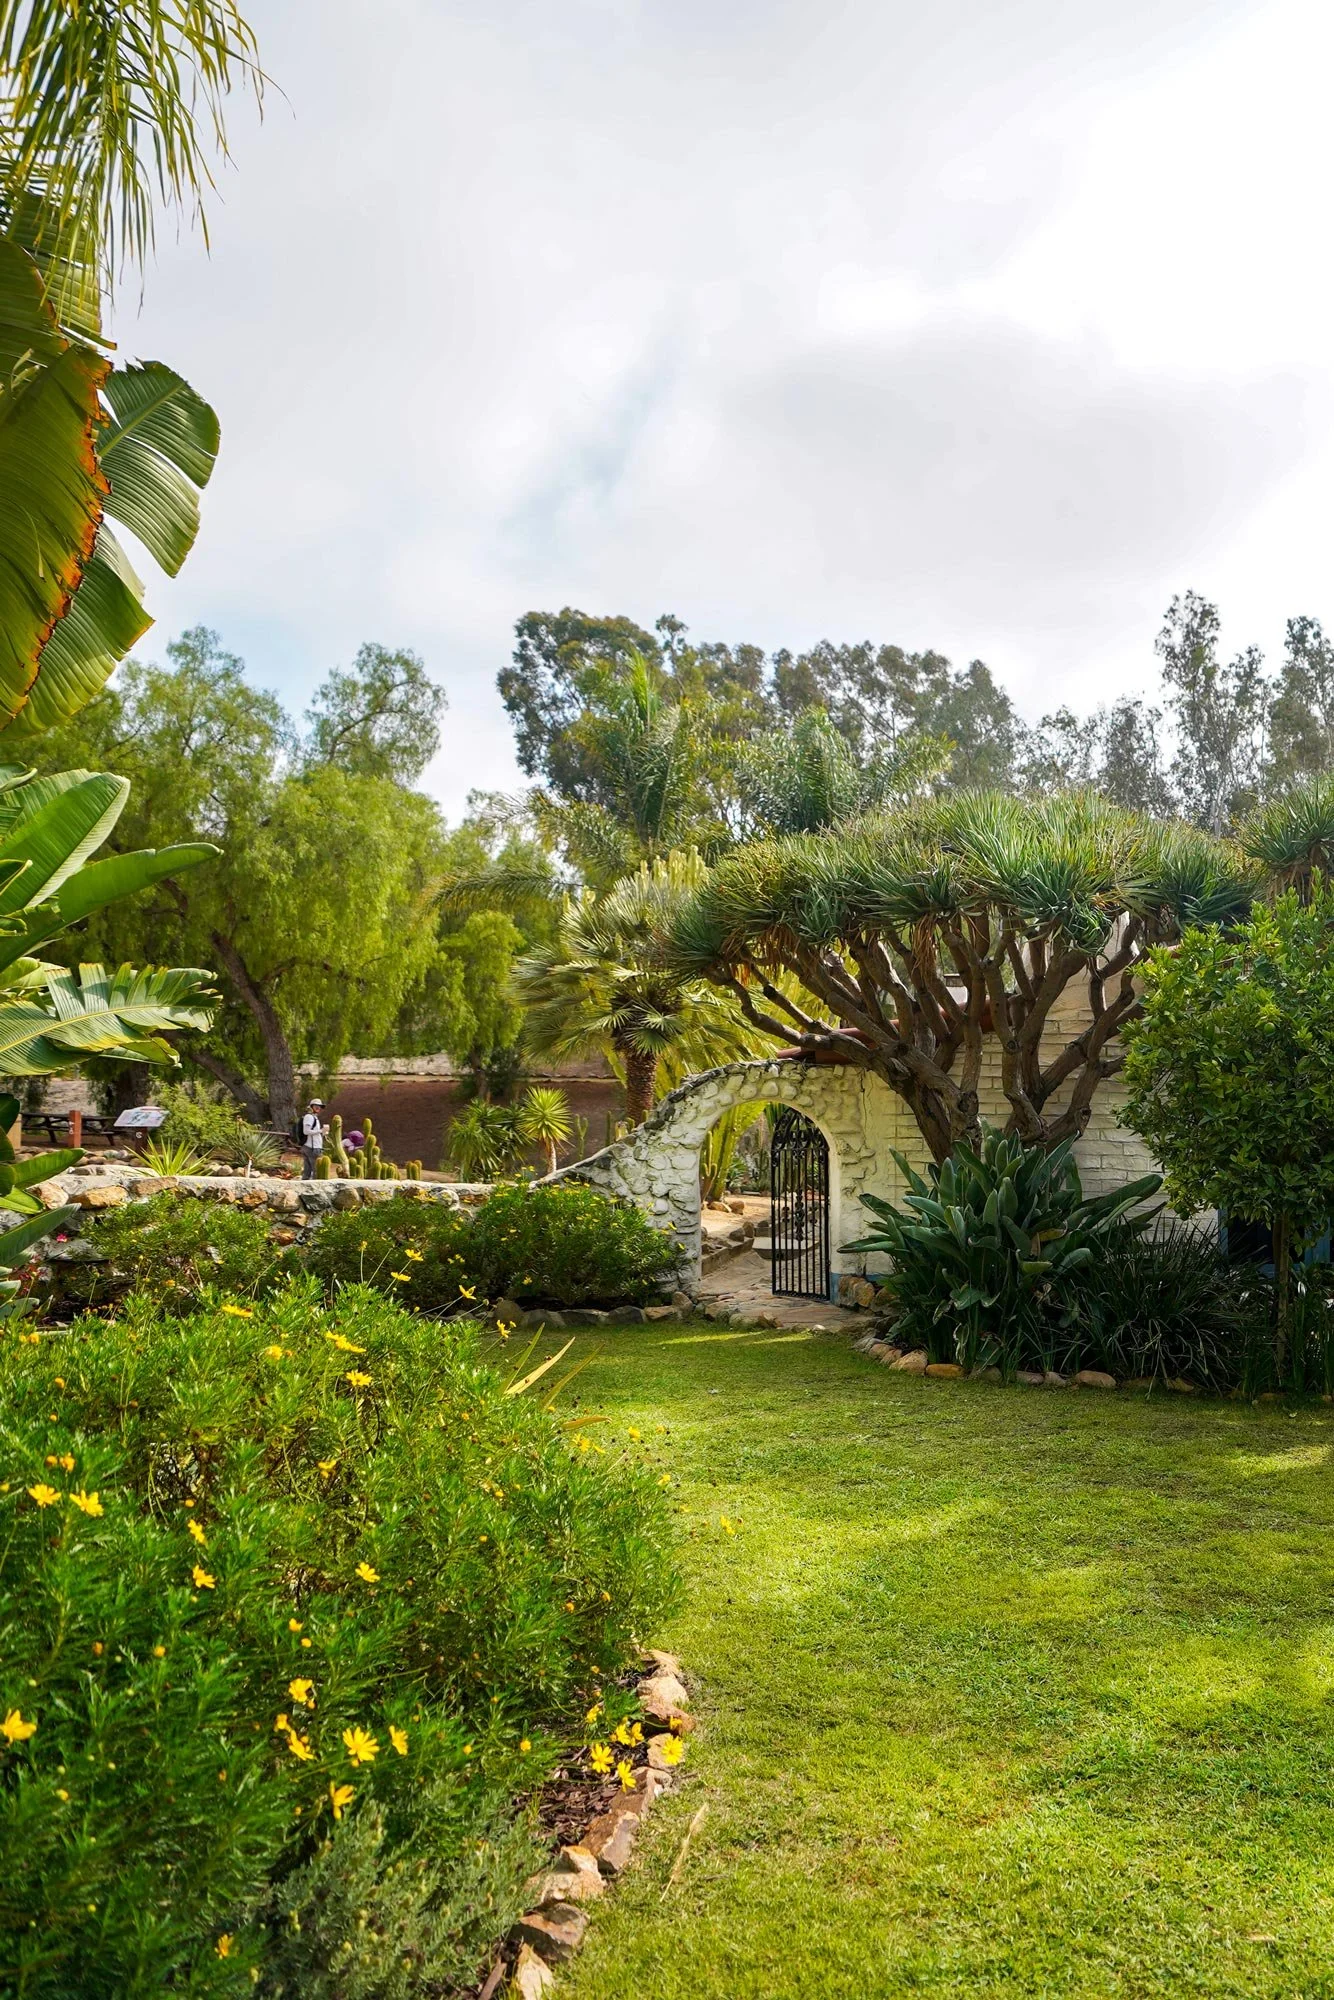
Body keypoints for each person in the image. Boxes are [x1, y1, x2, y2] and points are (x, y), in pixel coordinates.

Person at [300, 1099, 326, 1179]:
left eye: (320, 1106)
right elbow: (306, 1131)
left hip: (311, 1147)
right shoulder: (309, 1117)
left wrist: (321, 1132)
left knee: (307, 1172)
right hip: (312, 1147)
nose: (318, 1108)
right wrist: (320, 1131)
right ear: (311, 1107)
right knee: (317, 1171)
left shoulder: (314, 1117)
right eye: (316, 1106)